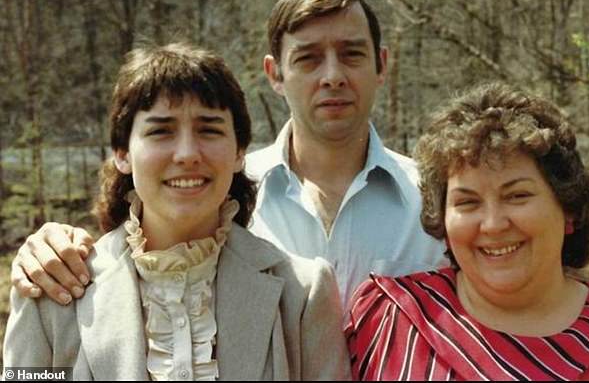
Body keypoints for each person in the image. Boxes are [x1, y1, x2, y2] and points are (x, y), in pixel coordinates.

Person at [10, 0, 446, 308]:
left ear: (381, 64)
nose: (332, 75)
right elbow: (139, 267)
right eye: (308, 58)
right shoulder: (216, 188)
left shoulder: (439, 202)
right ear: (274, 74)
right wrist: (50, 248)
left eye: (351, 54)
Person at [3, 43, 350, 380]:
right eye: (161, 131)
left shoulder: (301, 293)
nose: (187, 153)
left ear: (239, 152)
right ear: (123, 154)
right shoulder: (51, 292)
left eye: (209, 130)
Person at [345, 82, 589, 380]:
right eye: (467, 202)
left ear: (568, 207)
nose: (493, 224)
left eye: (517, 196)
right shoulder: (390, 319)